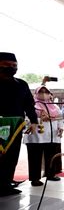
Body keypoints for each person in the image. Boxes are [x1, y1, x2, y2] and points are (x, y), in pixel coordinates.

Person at [0, 52, 38, 196]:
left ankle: (5, 184)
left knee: (11, 156)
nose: (11, 68)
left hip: (15, 127)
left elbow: (29, 104)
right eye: (7, 65)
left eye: (14, 66)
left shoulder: (21, 84)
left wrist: (33, 121)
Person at [23, 86, 63, 186]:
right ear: (36, 94)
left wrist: (60, 127)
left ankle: (50, 174)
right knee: (35, 157)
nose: (44, 94)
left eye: (46, 92)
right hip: (36, 136)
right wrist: (38, 117)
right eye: (41, 92)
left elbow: (60, 118)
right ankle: (35, 178)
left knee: (51, 155)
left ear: (50, 94)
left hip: (52, 135)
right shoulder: (32, 105)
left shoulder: (54, 106)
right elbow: (26, 118)